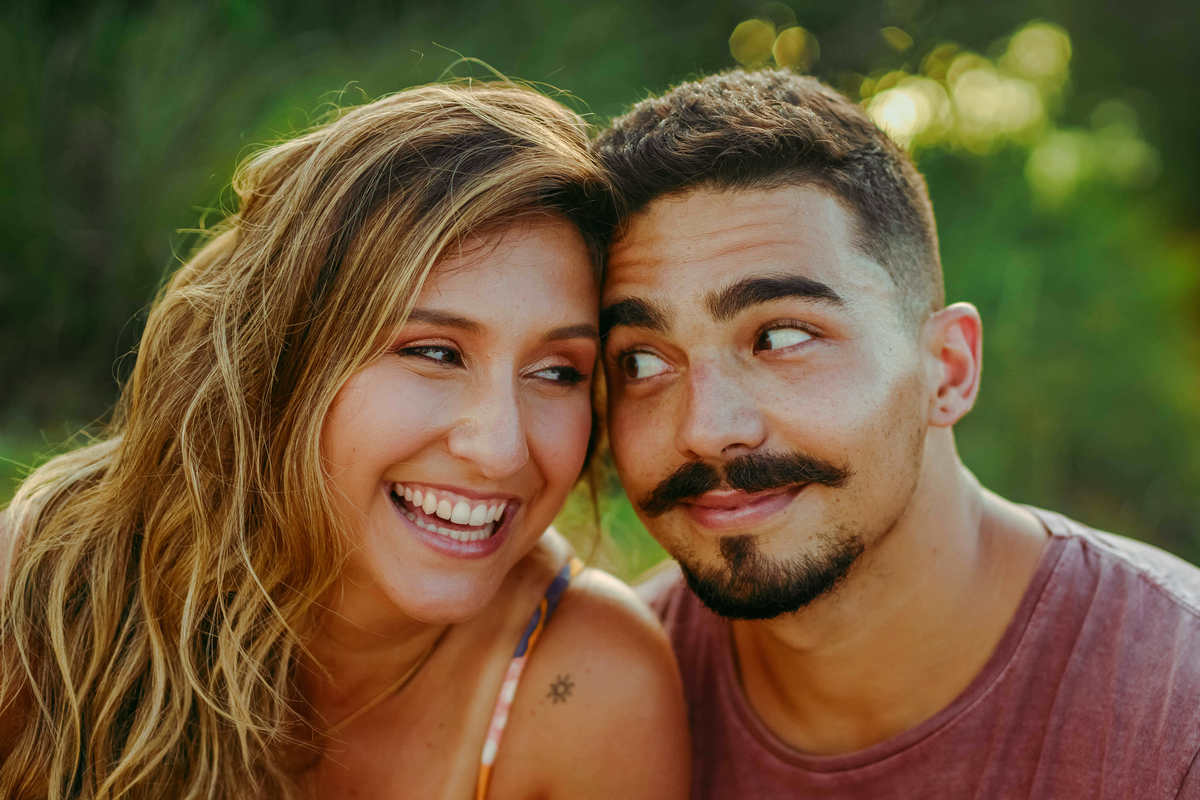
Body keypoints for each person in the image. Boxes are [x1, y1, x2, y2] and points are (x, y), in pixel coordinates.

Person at [0, 82, 690, 800]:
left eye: (557, 371)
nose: (501, 450)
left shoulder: (588, 688)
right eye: (435, 353)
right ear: (285, 356)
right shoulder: (44, 604)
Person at [592, 68, 1200, 798]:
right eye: (642, 361)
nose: (707, 428)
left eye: (781, 337)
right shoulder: (596, 704)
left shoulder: (1176, 715)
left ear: (948, 368)